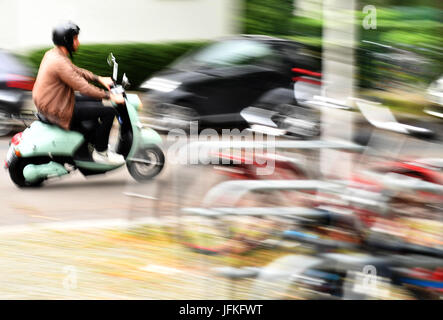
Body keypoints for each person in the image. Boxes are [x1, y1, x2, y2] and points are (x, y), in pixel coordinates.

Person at [32, 21, 125, 165]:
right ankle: (101, 152)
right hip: (57, 108)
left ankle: (90, 140)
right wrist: (110, 95)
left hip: (53, 101)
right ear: (66, 41)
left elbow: (75, 70)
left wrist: (98, 78)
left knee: (95, 101)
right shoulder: (59, 63)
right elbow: (84, 87)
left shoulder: (54, 54)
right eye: (75, 39)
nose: (78, 42)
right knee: (109, 111)